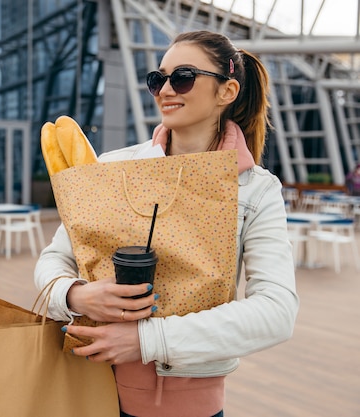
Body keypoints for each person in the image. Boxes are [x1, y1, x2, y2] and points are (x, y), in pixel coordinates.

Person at [34, 30, 299, 417]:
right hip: (85, 389)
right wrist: (75, 295)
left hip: (190, 404)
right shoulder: (113, 167)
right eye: (157, 79)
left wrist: (147, 340)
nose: (166, 90)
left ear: (227, 92)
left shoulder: (256, 189)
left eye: (184, 77)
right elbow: (52, 260)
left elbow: (276, 312)